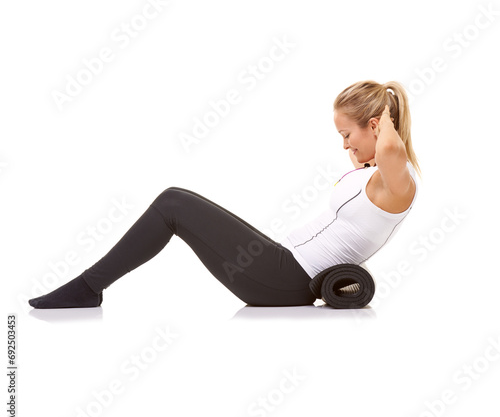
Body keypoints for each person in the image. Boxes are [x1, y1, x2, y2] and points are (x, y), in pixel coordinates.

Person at [28, 80, 421, 309]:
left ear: (374, 126)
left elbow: (389, 149)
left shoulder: (399, 181)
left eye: (347, 135)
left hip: (285, 280)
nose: (345, 146)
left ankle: (87, 288)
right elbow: (375, 158)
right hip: (280, 263)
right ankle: (88, 288)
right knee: (177, 200)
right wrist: (364, 141)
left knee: (172, 203)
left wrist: (384, 115)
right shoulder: (374, 175)